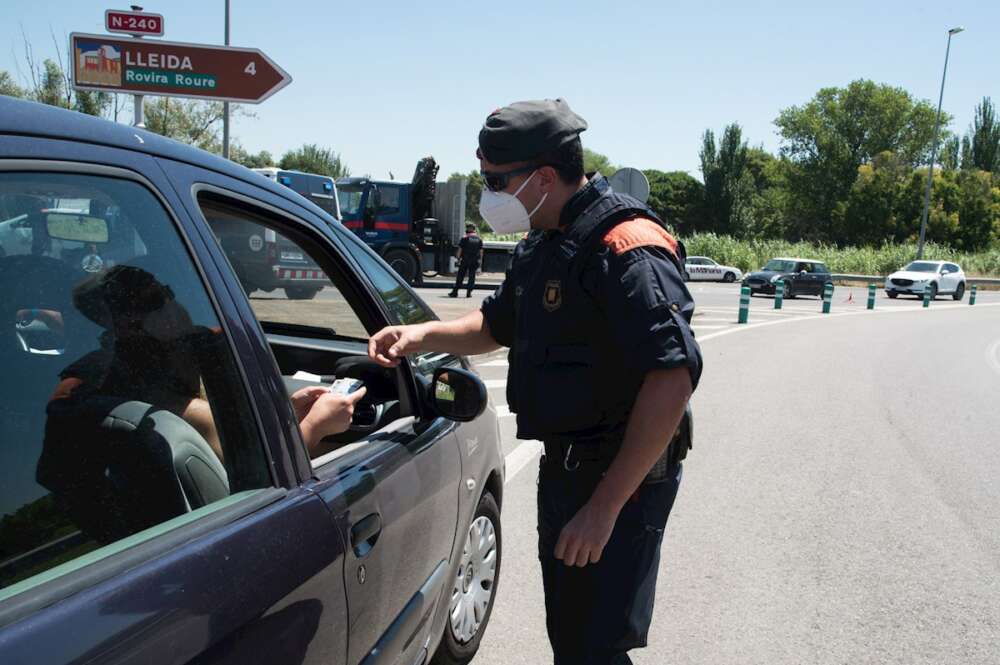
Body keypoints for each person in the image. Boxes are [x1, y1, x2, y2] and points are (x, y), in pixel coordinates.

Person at [369, 99, 701, 664]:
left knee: (595, 645)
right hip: (570, 466)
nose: (488, 194)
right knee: (571, 633)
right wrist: (421, 336)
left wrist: (604, 508)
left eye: (496, 181)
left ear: (544, 177)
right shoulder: (548, 239)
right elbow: (497, 324)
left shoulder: (626, 246)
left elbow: (671, 377)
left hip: (619, 477)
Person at [448, 222, 483, 298]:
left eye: (467, 228)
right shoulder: (479, 239)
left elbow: (460, 249)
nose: (466, 229)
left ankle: (455, 292)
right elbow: (481, 251)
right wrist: (480, 261)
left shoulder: (464, 238)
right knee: (472, 276)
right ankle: (469, 293)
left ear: (469, 229)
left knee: (460, 276)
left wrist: (457, 258)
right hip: (475, 260)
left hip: (465, 260)